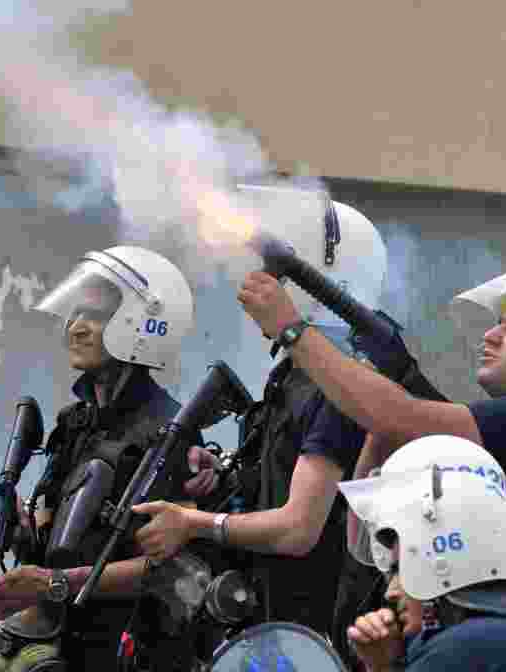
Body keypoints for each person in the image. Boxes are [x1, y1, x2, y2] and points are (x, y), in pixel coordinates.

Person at [237, 250, 506, 651]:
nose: (490, 336)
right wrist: (397, 390)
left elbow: (397, 416)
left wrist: (291, 329)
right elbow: (372, 523)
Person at [131, 193, 382, 642]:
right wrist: (229, 479)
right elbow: (277, 488)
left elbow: (298, 529)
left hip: (312, 639)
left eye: (280, 272)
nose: (259, 281)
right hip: (267, 627)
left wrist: (194, 524)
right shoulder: (290, 379)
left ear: (316, 285)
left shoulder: (338, 387)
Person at [0, 246, 202, 672]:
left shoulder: (171, 432)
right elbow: (60, 537)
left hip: (133, 652)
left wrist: (55, 584)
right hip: (62, 646)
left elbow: (170, 569)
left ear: (142, 325)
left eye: (96, 317)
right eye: (75, 314)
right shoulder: (74, 421)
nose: (76, 328)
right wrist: (18, 539)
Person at [340, 443, 506, 671]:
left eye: (401, 569)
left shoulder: (464, 646)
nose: (390, 592)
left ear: (444, 559)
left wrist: (381, 666)